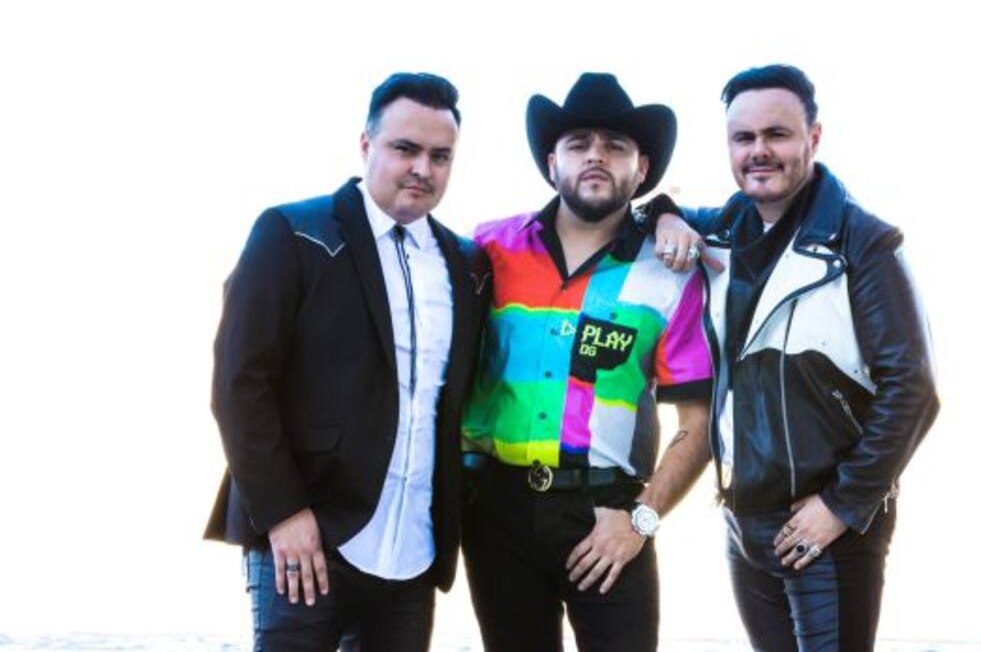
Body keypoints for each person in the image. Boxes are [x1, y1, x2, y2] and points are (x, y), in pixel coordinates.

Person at [649, 64, 940, 651]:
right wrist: (663, 213)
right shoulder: (723, 229)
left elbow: (912, 388)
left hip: (827, 526)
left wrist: (841, 505)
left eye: (776, 134)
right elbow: (638, 214)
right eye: (743, 137)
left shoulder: (863, 243)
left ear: (814, 138)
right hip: (743, 522)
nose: (759, 151)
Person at [203, 72, 490, 651]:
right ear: (366, 144)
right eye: (405, 148)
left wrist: (661, 213)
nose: (423, 169)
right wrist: (283, 513)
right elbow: (240, 383)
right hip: (305, 541)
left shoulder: (468, 266)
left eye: (440, 156)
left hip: (412, 554)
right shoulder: (292, 232)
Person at [460, 72, 714, 652]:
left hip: (609, 515)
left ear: (641, 170)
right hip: (496, 513)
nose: (596, 155)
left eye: (615, 146)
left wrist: (642, 519)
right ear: (553, 164)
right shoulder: (488, 249)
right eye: (579, 144)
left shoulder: (670, 273)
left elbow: (698, 424)